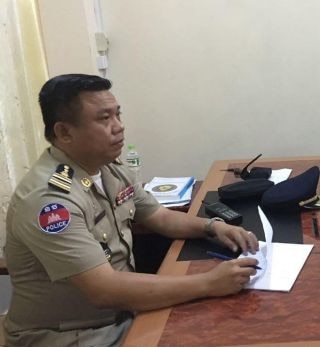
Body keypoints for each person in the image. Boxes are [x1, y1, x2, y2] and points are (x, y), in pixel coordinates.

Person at [3, 74, 260, 346]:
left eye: (118, 115)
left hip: (125, 311)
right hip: (73, 334)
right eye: (104, 119)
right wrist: (209, 283)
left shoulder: (108, 167)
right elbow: (104, 290)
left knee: (225, 324)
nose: (119, 127)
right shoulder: (50, 201)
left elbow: (159, 217)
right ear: (64, 132)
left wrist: (213, 226)